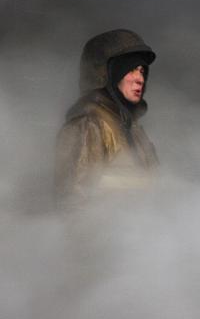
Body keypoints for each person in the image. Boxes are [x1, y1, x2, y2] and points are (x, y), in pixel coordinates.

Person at [55, 29, 160, 207]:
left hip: (139, 232)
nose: (140, 79)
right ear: (108, 74)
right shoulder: (87, 124)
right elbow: (74, 199)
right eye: (131, 70)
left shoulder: (131, 127)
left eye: (142, 71)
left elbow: (153, 184)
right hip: (106, 233)